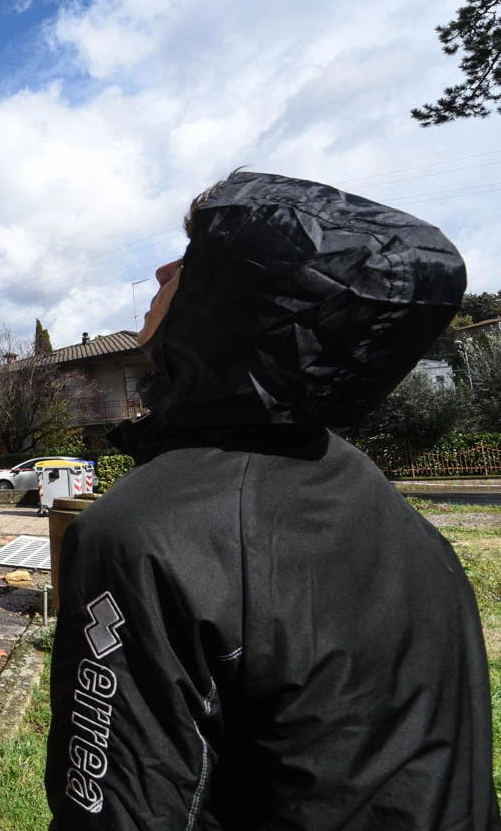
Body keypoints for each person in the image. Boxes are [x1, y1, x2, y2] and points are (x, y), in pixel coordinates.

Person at [44, 171, 500, 830]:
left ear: (228, 303)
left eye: (193, 258)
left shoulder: (145, 533)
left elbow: (117, 815)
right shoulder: (393, 514)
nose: (162, 267)